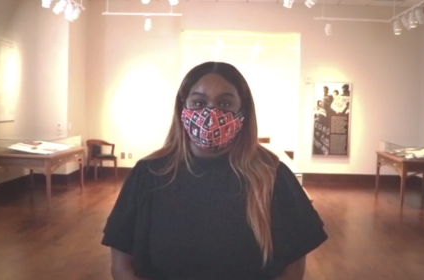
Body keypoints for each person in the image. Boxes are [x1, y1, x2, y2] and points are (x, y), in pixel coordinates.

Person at [101, 61, 327, 280]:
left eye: (225, 104)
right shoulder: (149, 174)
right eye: (199, 103)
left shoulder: (272, 176)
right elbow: (121, 266)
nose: (211, 115)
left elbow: (293, 270)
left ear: (243, 111)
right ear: (183, 107)